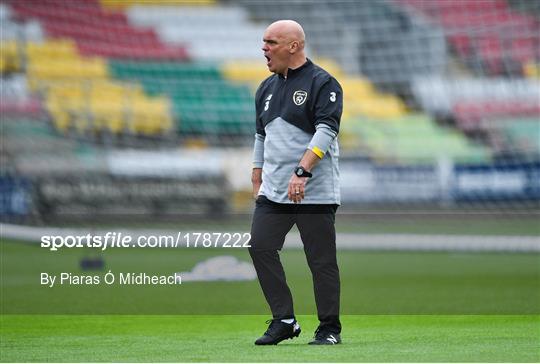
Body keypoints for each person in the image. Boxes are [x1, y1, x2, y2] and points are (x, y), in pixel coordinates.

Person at [249, 19, 343, 346]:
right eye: (264, 42)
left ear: (294, 46)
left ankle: (329, 328)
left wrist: (302, 172)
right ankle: (284, 320)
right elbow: (261, 135)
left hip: (314, 192)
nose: (264, 48)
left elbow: (326, 132)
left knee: (320, 262)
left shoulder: (322, 82)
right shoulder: (265, 88)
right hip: (274, 192)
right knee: (260, 246)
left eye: (271, 42)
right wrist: (256, 172)